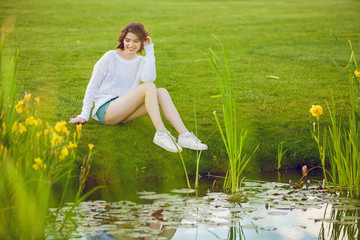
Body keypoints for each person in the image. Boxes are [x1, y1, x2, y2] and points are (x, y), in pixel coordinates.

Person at [69, 22, 207, 153]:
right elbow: (92, 85)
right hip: (106, 111)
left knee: (162, 92)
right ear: (123, 39)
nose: (131, 44)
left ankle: (184, 136)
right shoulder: (110, 56)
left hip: (125, 113)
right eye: (128, 40)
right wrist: (84, 114)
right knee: (149, 88)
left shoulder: (141, 61)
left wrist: (150, 50)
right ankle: (161, 133)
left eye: (136, 41)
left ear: (142, 43)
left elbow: (149, 78)